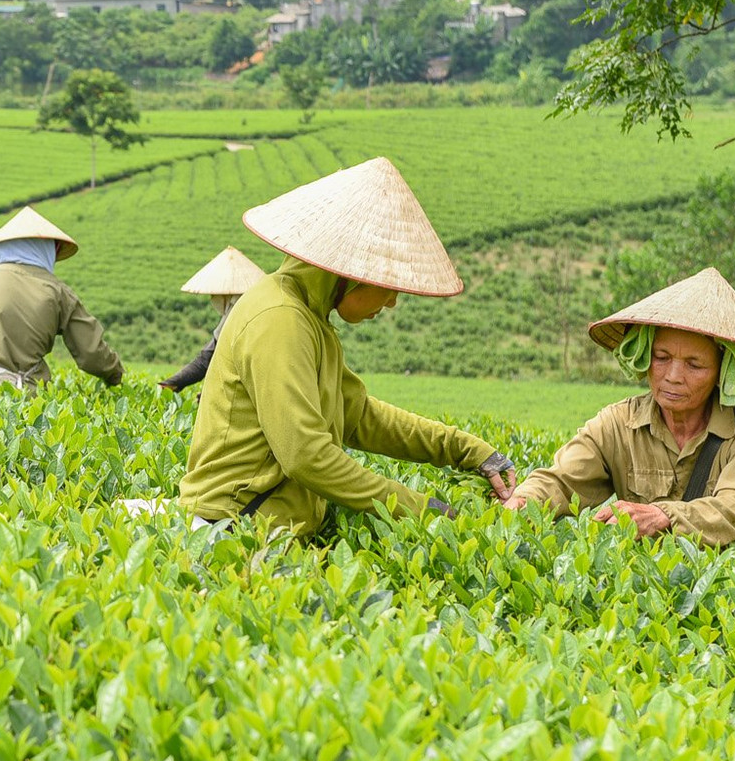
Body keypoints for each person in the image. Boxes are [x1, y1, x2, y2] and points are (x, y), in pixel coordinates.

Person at [176, 157, 516, 536]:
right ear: (353, 274)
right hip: (233, 531)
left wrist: (466, 449)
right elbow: (306, 455)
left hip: (266, 529)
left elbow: (359, 416)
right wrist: (423, 509)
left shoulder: (309, 317)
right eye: (389, 287)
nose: (391, 303)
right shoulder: (279, 319)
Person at [505, 267, 735, 564]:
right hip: (662, 587)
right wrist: (522, 503)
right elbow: (562, 480)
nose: (673, 376)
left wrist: (661, 516)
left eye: (694, 365)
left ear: (723, 373)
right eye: (662, 358)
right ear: (645, 357)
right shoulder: (619, 424)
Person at [0, 205, 122, 391]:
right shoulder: (59, 292)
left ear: (2, 247)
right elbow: (91, 352)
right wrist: (116, 375)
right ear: (48, 250)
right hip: (30, 393)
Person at [160, 246, 268, 392]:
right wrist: (172, 383)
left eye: (214, 295)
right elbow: (207, 355)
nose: (213, 299)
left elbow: (209, 360)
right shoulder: (235, 307)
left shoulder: (242, 310)